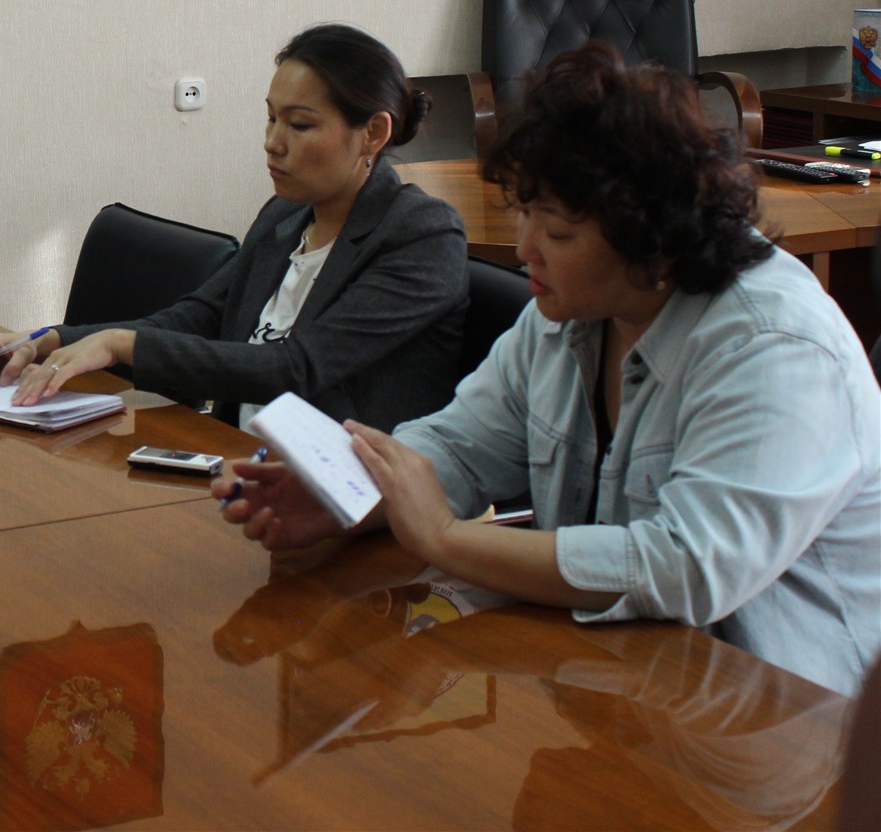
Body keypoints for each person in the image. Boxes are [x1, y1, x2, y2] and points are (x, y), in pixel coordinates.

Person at [218, 45, 881, 696]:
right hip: (627, 679)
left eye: (557, 231)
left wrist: (445, 540)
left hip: (788, 719)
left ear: (651, 237)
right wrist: (346, 495)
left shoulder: (774, 348)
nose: (525, 247)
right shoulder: (573, 311)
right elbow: (461, 446)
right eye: (525, 214)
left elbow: (687, 569)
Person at [0, 23, 468, 432]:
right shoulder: (284, 215)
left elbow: (297, 368)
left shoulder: (421, 235)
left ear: (373, 133)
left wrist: (121, 344)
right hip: (240, 463)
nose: (273, 142)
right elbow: (197, 317)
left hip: (349, 494)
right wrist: (49, 339)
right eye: (270, 119)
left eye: (299, 125)